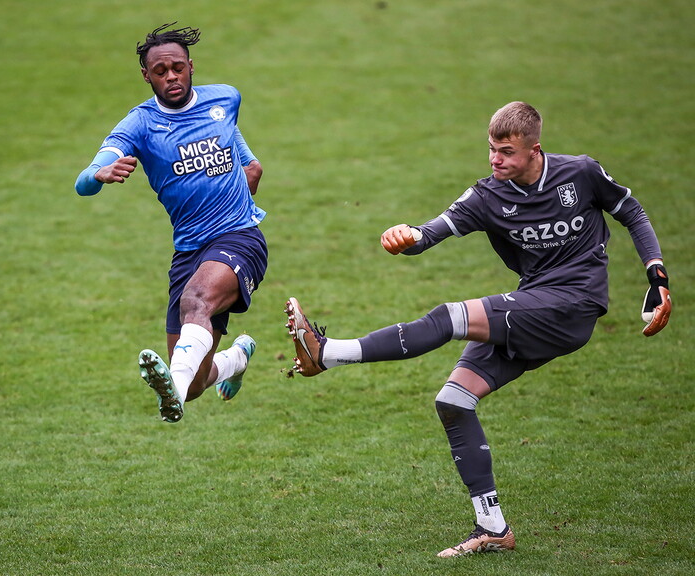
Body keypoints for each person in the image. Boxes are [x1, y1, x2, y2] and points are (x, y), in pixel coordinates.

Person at [284, 101, 672, 557]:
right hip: (534, 306)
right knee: (453, 401)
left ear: (535, 150)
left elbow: (632, 212)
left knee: (451, 317)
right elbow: (430, 233)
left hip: (575, 305)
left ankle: (328, 353)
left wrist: (656, 275)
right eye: (491, 149)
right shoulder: (488, 196)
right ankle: (493, 527)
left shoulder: (581, 173)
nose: (495, 160)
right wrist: (406, 236)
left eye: (507, 152)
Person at [75, 23, 268, 423]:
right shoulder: (139, 124)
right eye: (160, 71)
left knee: (195, 300)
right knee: (196, 383)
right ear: (146, 75)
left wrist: (236, 206)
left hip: (239, 238)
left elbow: (250, 164)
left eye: (178, 68)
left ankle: (170, 395)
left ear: (191, 66)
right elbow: (83, 183)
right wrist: (99, 173)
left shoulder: (225, 99)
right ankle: (235, 360)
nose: (171, 77)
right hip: (189, 252)